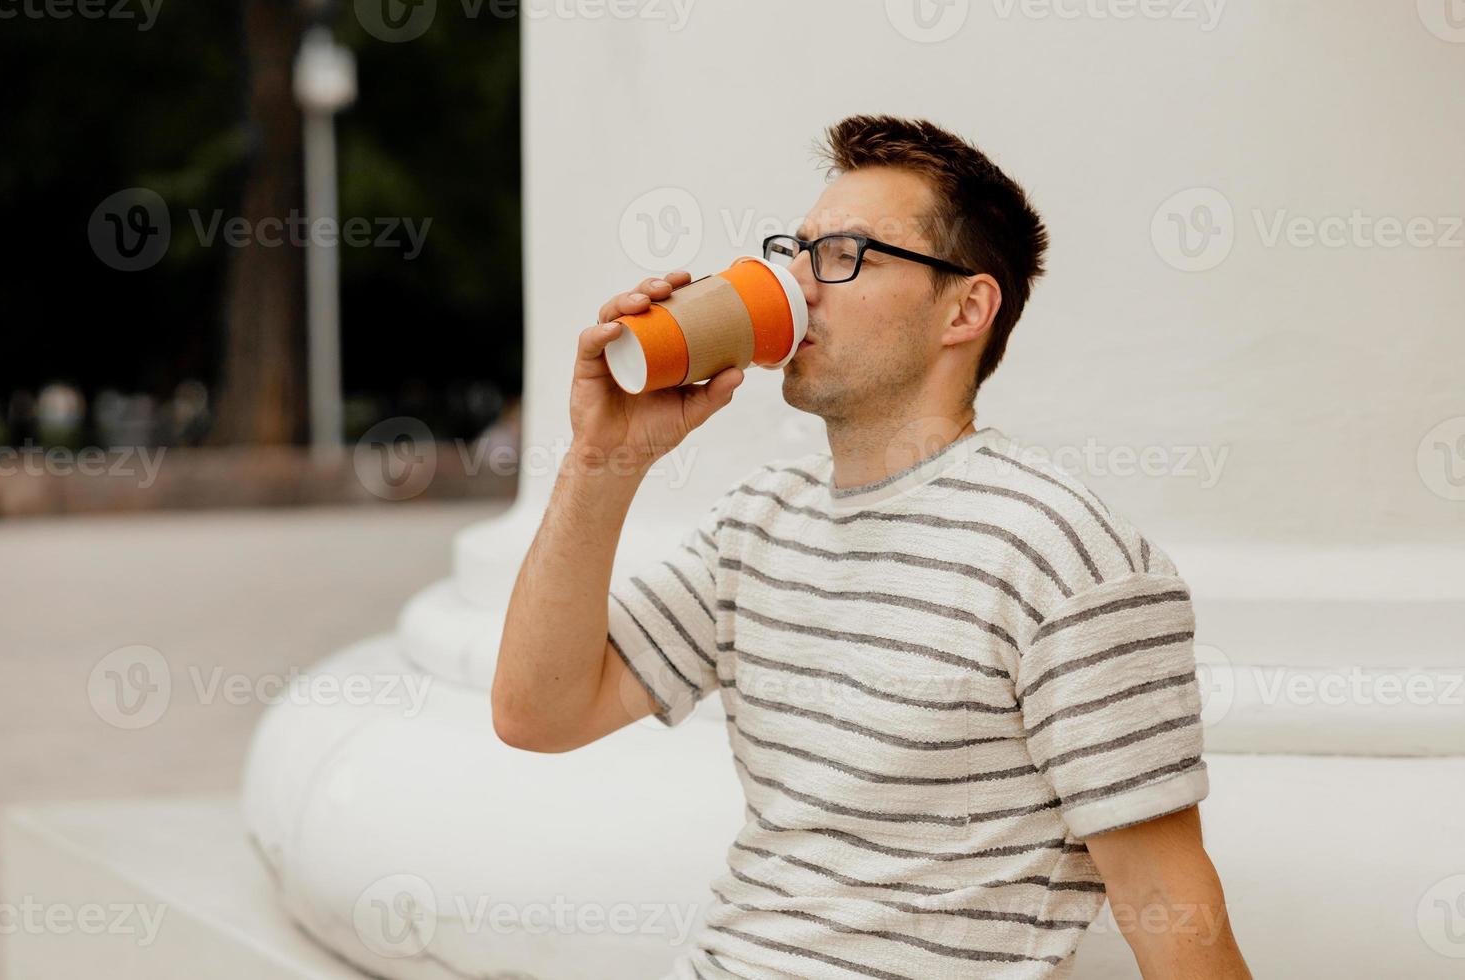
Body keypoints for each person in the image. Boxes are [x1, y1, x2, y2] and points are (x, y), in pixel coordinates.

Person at [493, 114, 1251, 979]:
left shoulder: (1061, 555)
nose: (800, 285)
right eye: (799, 250)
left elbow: (1174, 916)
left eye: (847, 254)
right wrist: (603, 457)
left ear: (966, 308)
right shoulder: (758, 523)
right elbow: (538, 713)